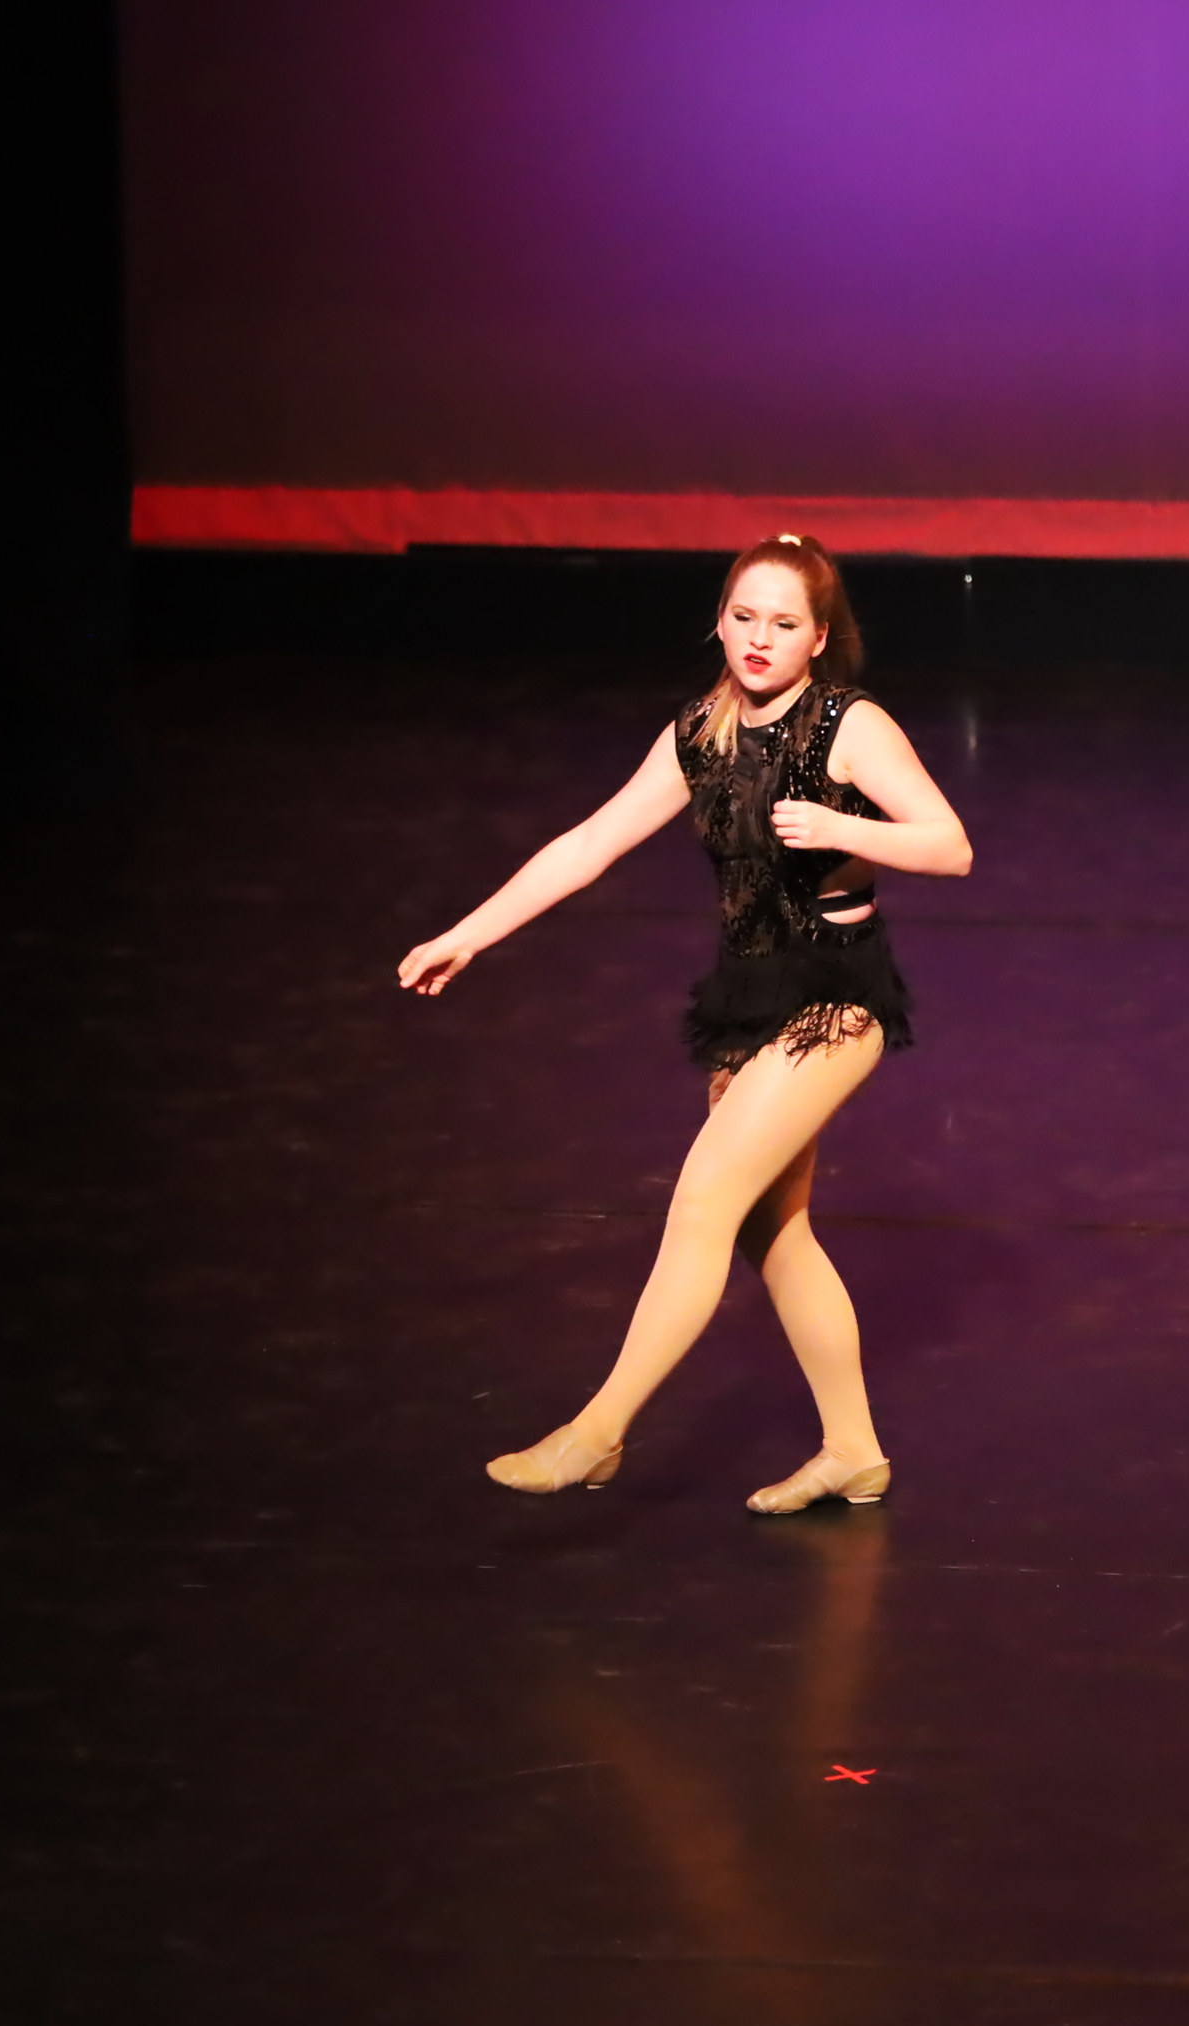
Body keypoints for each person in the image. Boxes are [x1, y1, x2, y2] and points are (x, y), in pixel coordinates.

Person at [397, 535, 973, 1513]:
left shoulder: (849, 726)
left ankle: (597, 1432)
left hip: (835, 997)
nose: (759, 638)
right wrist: (468, 935)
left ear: (817, 638)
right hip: (747, 995)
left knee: (703, 1199)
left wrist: (843, 827)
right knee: (773, 1231)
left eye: (783, 623)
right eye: (744, 616)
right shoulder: (700, 731)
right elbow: (591, 841)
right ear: (719, 619)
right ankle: (852, 1450)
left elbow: (949, 846)